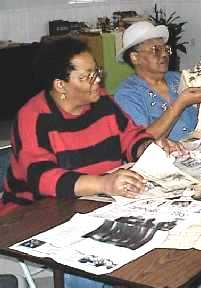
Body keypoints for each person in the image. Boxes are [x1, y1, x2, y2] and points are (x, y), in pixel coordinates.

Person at [0, 36, 173, 287]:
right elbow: (42, 178)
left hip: (94, 202)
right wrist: (105, 184)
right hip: (36, 212)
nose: (98, 81)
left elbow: (130, 136)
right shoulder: (33, 117)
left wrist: (150, 147)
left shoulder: (102, 101)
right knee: (92, 267)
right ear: (61, 85)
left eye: (97, 72)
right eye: (88, 76)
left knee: (157, 243)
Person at [115, 21, 201, 141]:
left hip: (199, 150)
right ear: (135, 57)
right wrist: (180, 104)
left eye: (166, 49)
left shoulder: (178, 78)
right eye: (156, 50)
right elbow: (142, 143)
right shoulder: (127, 94)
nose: (164, 54)